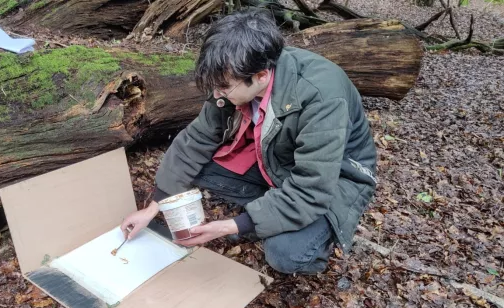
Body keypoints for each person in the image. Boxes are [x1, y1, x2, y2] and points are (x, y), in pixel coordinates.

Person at [121, 8, 377, 275]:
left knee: (286, 255)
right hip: (279, 161)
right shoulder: (234, 76)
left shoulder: (321, 95)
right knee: (199, 168)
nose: (217, 94)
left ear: (261, 75)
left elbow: (312, 187)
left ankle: (317, 231)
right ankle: (272, 208)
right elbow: (196, 139)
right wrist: (153, 207)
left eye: (224, 87)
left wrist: (232, 226)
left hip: (337, 177)